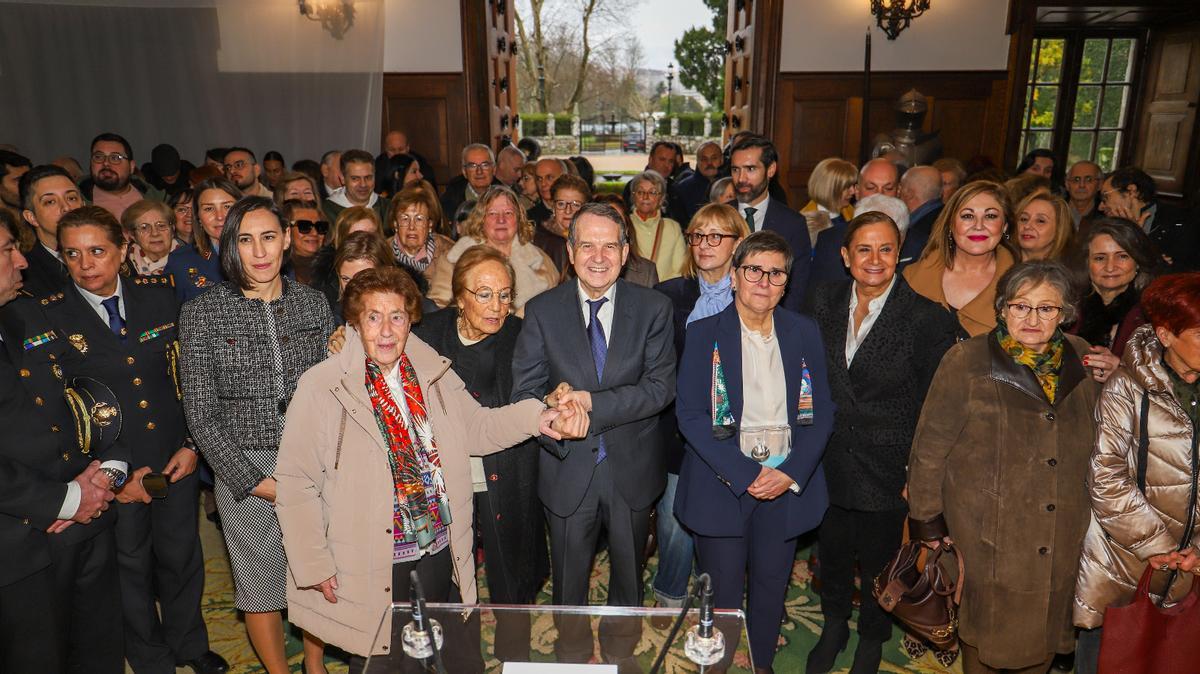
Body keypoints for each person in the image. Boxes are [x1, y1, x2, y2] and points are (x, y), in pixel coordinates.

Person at [275, 265, 583, 672]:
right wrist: (313, 563)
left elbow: (478, 427)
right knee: (384, 662)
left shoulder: (431, 371)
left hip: (439, 544)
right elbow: (296, 483)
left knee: (445, 655)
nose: (386, 330)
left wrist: (540, 417)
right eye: (373, 317)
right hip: (370, 558)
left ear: (410, 320)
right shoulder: (323, 386)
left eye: (397, 316)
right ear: (354, 321)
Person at [35, 205, 227, 673]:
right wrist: (112, 478)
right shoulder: (51, 317)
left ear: (123, 249)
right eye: (73, 254)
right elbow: (59, 409)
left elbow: (190, 377)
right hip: (110, 471)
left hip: (172, 458)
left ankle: (189, 644)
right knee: (129, 566)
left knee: (182, 554)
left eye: (97, 251)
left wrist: (190, 443)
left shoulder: (160, 298)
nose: (86, 264)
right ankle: (148, 654)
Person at [907, 261, 1099, 674]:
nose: (1032, 318)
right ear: (1002, 308)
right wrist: (928, 529)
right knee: (985, 645)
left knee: (1044, 643)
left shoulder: (1084, 359)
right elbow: (928, 451)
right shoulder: (966, 360)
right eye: (1020, 306)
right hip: (987, 539)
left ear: (1064, 313)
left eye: (1047, 309)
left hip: (1062, 536)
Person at [511, 201, 676, 671]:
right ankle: (572, 655)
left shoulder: (654, 309)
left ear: (626, 253)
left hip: (631, 467)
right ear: (570, 250)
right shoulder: (542, 311)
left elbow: (660, 388)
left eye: (610, 246)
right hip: (566, 464)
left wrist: (589, 403)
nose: (598, 257)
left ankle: (622, 653)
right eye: (588, 245)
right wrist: (552, 416)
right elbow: (526, 390)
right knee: (568, 578)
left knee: (628, 574)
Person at [179, 196, 334, 674]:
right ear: (231, 247)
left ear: (287, 239)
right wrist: (256, 481)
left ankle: (314, 663)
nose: (260, 251)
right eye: (245, 240)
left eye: (269, 237)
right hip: (244, 468)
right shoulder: (203, 313)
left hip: (313, 465)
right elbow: (202, 416)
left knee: (316, 575)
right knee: (260, 585)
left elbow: (332, 393)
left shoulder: (314, 303)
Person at [806, 212, 958, 674]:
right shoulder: (820, 300)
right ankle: (833, 625)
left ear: (899, 255)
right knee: (831, 553)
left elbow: (937, 408)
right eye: (864, 249)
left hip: (888, 466)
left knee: (881, 562)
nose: (875, 259)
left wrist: (922, 475)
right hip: (826, 458)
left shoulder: (927, 318)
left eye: (886, 249)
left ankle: (872, 637)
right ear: (845, 256)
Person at [674, 230, 832, 673]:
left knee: (770, 585)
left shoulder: (804, 331)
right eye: (754, 270)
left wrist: (790, 471)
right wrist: (745, 475)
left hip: (785, 481)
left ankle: (761, 663)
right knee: (722, 594)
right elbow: (689, 415)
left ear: (786, 281)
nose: (764, 281)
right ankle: (721, 666)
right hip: (723, 484)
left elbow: (822, 411)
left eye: (775, 272)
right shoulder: (705, 333)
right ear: (735, 277)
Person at [412, 246, 553, 662]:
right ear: (459, 296)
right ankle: (462, 661)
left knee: (512, 578)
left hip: (508, 475)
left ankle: (515, 660)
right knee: (452, 581)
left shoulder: (522, 336)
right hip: (443, 480)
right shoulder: (425, 337)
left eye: (505, 294)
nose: (497, 307)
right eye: (485, 294)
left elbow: (545, 388)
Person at [0, 208, 119, 674]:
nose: (23, 261)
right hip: (19, 546)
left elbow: (100, 387)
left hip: (89, 519)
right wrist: (65, 499)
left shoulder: (25, 313)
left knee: (98, 652)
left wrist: (109, 470)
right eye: (8, 250)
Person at [1072, 273, 1200, 674]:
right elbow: (1105, 474)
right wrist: (1159, 547)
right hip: (1123, 563)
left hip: (1192, 568)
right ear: (1164, 335)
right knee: (1110, 660)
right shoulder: (1127, 388)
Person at [652, 203, 748, 613]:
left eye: (716, 236)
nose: (704, 244)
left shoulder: (754, 295)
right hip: (676, 428)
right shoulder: (668, 294)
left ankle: (718, 598)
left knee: (725, 522)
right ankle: (670, 596)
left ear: (738, 242)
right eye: (697, 235)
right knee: (674, 520)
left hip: (736, 432)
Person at [904, 180, 1019, 337]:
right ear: (951, 224)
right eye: (968, 216)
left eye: (990, 216)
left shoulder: (1024, 287)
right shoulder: (911, 278)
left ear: (1005, 226)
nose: (979, 225)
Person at [429, 186, 557, 315]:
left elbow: (556, 307)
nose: (501, 220)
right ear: (481, 219)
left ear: (519, 219)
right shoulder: (455, 259)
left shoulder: (540, 260)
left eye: (508, 213)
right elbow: (438, 309)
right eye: (493, 213)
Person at [728, 133, 812, 311]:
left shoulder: (793, 224)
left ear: (771, 169)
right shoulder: (720, 217)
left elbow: (796, 289)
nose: (741, 178)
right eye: (736, 169)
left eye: (750, 169)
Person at [1068, 217, 1161, 368]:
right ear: (1087, 263)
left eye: (1122, 256)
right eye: (1100, 258)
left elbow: (1165, 379)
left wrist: (1122, 372)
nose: (1110, 267)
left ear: (1137, 261)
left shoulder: (1153, 314)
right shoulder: (1067, 307)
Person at [1099, 166, 1200, 270]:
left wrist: (1137, 238)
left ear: (1131, 191)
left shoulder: (1180, 221)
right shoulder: (1106, 225)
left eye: (1105, 197)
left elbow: (1180, 274)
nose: (1100, 207)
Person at [164, 177, 243, 303]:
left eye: (227, 206)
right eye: (209, 209)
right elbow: (169, 313)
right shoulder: (181, 261)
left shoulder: (262, 254)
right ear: (198, 217)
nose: (220, 216)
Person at [18, 164, 84, 297]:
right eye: (50, 202)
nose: (66, 207)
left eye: (71, 198)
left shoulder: (113, 255)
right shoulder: (24, 274)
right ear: (31, 217)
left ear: (83, 205)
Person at [387, 183, 454, 291]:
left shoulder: (449, 252)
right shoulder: (382, 253)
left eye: (419, 219)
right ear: (395, 223)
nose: (411, 227)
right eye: (405, 218)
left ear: (430, 224)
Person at [82, 133, 164, 220]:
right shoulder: (76, 201)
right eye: (98, 157)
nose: (106, 163)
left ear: (131, 166)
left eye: (115, 158)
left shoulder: (156, 197)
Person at [807, 158, 861, 284]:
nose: (853, 191)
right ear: (829, 188)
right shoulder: (805, 223)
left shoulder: (853, 213)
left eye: (853, 185)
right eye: (847, 187)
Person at [629, 170, 687, 282]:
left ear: (661, 198)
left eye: (652, 192)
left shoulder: (672, 228)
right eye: (640, 192)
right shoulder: (624, 223)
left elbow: (680, 270)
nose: (645, 197)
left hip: (664, 293)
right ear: (633, 196)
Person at [592, 193, 660, 289]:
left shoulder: (646, 272)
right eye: (602, 222)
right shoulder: (579, 267)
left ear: (627, 229)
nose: (608, 229)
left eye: (617, 221)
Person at [327, 231, 394, 321]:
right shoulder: (330, 317)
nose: (351, 287)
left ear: (385, 275)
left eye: (361, 279)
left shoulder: (405, 313)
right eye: (346, 279)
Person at [537, 173, 589, 273]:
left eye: (575, 205)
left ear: (585, 208)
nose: (568, 210)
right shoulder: (539, 241)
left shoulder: (594, 239)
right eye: (561, 204)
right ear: (553, 207)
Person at [324, 149, 388, 226]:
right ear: (342, 178)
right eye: (355, 178)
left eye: (368, 177)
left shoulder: (388, 209)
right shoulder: (327, 212)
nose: (363, 184)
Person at [897, 164, 944, 264]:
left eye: (899, 189)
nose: (897, 193)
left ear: (908, 194)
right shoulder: (951, 217)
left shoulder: (917, 233)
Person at [123, 199, 182, 276]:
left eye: (161, 225)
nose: (155, 233)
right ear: (133, 235)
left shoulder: (190, 259)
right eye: (144, 227)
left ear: (172, 230)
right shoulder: (121, 266)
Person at [441, 143, 502, 217]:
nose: (479, 171)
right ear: (464, 172)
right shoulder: (449, 201)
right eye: (472, 166)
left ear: (494, 169)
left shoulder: (507, 198)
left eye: (485, 165)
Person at [673, 140, 724, 222]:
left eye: (714, 158)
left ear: (722, 160)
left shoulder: (732, 186)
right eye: (704, 159)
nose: (709, 163)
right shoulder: (682, 189)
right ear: (697, 161)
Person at [1015, 192, 1073, 261]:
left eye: (1040, 221)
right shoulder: (1002, 263)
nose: (1027, 226)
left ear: (1058, 230)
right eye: (1024, 219)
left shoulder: (1062, 270)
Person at [281, 199, 327, 286]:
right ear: (286, 230)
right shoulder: (273, 271)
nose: (314, 233)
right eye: (304, 226)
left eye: (320, 226)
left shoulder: (334, 270)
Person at [527, 157, 566, 225]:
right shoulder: (529, 219)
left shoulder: (579, 212)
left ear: (564, 178)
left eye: (549, 177)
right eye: (539, 179)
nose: (543, 184)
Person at [1064, 160, 1102, 229]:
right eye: (1076, 179)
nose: (1082, 185)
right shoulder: (1055, 211)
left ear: (1099, 185)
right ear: (1067, 184)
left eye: (1088, 179)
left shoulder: (1105, 216)